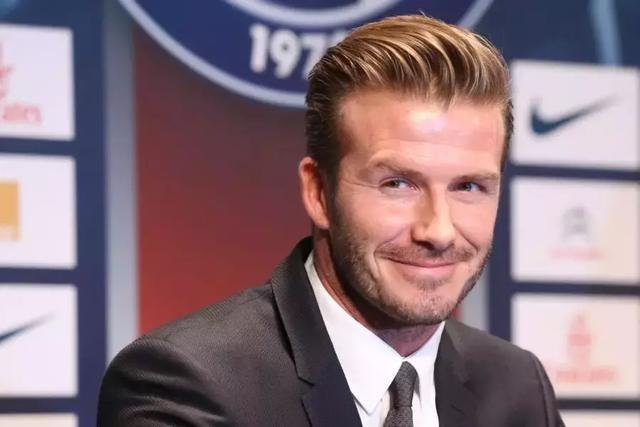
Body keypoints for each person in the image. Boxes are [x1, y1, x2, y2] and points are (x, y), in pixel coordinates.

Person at [98, 14, 564, 426]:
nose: (438, 230)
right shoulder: (185, 383)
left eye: (469, 187)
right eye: (398, 184)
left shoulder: (518, 387)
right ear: (319, 192)